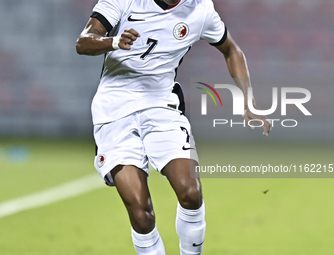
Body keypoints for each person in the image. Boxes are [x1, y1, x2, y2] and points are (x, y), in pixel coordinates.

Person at [76, 0, 271, 254]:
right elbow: (84, 42)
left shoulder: (200, 10)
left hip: (161, 108)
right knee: (141, 212)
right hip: (114, 112)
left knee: (190, 192)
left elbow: (231, 50)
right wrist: (114, 41)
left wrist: (249, 102)